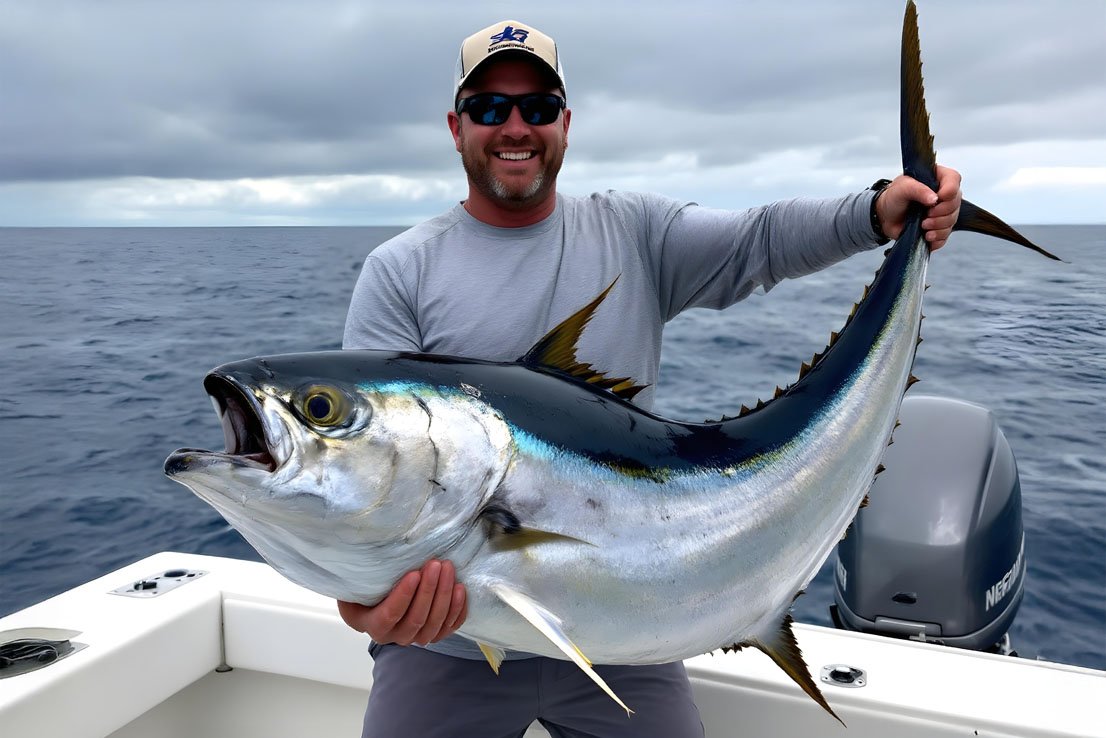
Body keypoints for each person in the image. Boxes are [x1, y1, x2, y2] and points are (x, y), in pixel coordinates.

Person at [339, 19, 962, 738]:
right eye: (490, 109)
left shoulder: (631, 231)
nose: (516, 127)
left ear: (566, 124)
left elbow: (758, 240)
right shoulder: (401, 272)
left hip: (629, 623)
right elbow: (371, 479)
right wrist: (365, 606)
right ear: (457, 127)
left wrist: (880, 211)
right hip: (450, 643)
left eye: (537, 108)